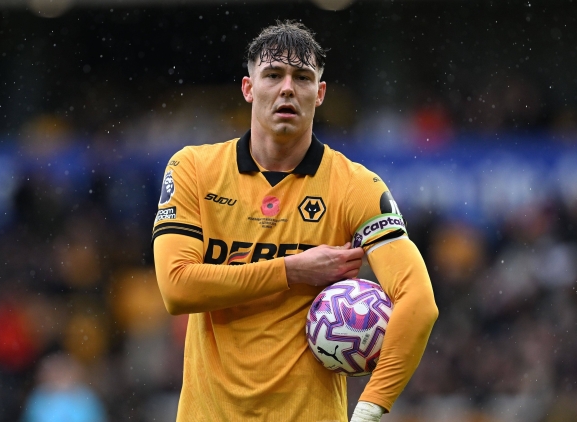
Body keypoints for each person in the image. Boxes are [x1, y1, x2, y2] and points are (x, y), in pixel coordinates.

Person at [152, 21, 438, 422]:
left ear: (319, 93)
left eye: (302, 77)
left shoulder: (354, 186)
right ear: (248, 88)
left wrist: (371, 407)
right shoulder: (193, 169)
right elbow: (177, 288)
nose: (287, 88)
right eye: (273, 75)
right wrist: (293, 270)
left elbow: (418, 300)